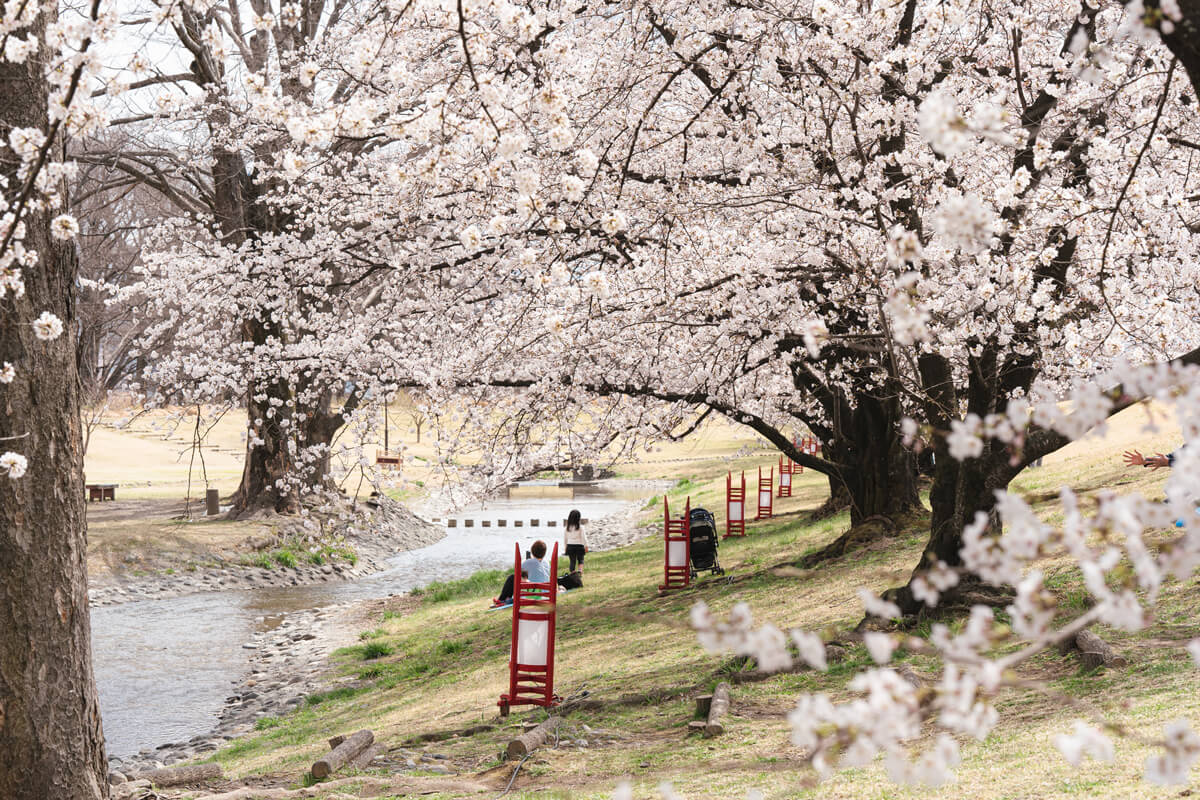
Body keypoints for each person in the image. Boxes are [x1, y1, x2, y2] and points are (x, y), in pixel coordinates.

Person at [495, 540, 549, 605]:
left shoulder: (526, 562)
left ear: (532, 551)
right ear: (544, 553)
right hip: (544, 595)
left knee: (512, 577)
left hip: (529, 595)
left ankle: (501, 599)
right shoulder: (546, 563)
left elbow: (519, 575)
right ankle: (505, 599)